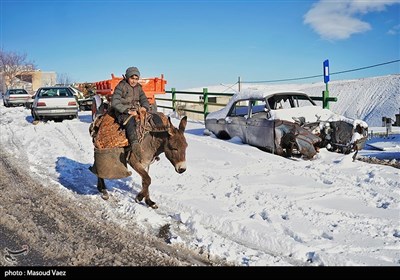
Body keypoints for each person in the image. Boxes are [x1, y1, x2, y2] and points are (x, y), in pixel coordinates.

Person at [111, 66, 150, 160]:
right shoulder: (121, 86)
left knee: (150, 119)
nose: (134, 81)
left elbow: (144, 99)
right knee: (131, 122)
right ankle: (134, 144)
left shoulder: (138, 88)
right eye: (132, 78)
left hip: (136, 110)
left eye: (136, 79)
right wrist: (127, 111)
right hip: (123, 111)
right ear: (127, 77)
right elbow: (115, 102)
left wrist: (144, 107)